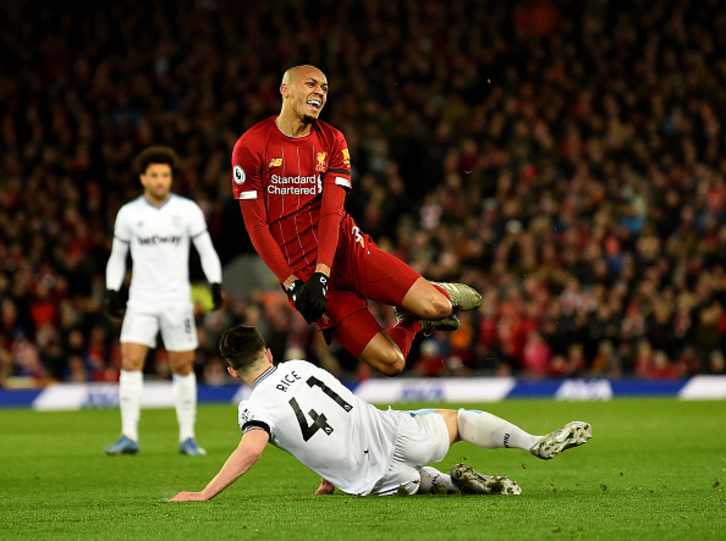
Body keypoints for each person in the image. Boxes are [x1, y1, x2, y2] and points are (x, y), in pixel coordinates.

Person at [230, 64, 482, 377]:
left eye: (324, 88)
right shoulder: (251, 146)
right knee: (393, 363)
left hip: (348, 251)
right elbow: (256, 226)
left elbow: (331, 212)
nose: (320, 93)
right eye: (311, 85)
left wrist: (322, 272)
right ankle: (411, 320)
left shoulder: (333, 141)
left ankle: (424, 306)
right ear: (286, 89)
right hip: (304, 278)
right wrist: (293, 283)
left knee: (440, 307)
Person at [169, 325, 592, 500]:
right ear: (268, 352)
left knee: (419, 482)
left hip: (364, 475)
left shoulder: (253, 406)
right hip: (391, 431)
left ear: (230, 370)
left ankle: (448, 483)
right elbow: (331, 407)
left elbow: (253, 449)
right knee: (459, 420)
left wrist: (204, 493)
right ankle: (534, 443)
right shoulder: (299, 366)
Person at [104, 146, 224, 456]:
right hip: (141, 299)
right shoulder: (129, 214)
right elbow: (117, 257)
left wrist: (215, 282)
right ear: (143, 178)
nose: (161, 180)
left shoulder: (187, 211)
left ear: (172, 178)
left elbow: (206, 249)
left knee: (182, 365)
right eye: (155, 175)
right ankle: (128, 434)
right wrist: (112, 289)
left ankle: (187, 437)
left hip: (176, 300)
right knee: (130, 361)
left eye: (166, 175)